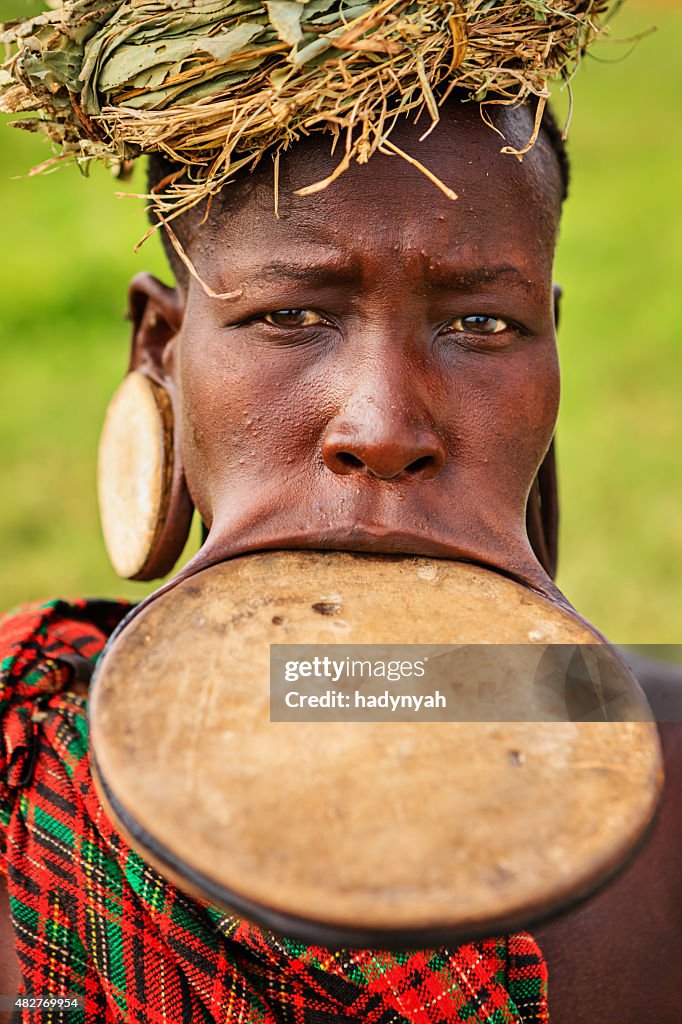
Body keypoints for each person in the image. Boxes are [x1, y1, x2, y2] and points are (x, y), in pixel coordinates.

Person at [0, 6, 680, 1024]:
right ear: (159, 350)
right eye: (291, 315)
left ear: (552, 352)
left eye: (482, 323)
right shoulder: (21, 767)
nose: (384, 424)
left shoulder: (672, 775)